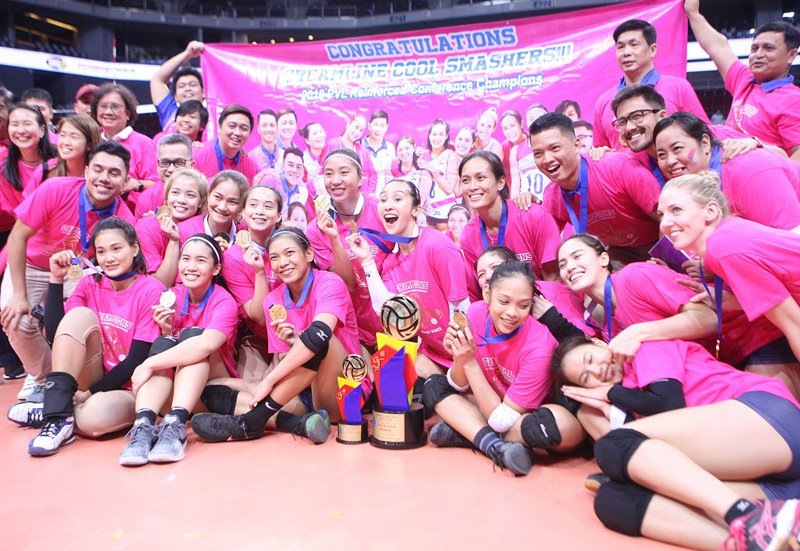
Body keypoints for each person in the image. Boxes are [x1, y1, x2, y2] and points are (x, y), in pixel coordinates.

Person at [552, 335, 800, 550]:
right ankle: (764, 540)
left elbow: (670, 406)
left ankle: (744, 514)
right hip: (776, 486)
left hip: (773, 421)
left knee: (614, 444)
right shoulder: (631, 399)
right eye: (586, 378)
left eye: (590, 358)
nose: (597, 370)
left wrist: (609, 393)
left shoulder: (644, 350)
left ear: (598, 343)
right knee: (613, 500)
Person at [11, 218, 163, 456]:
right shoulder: (90, 284)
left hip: (131, 387)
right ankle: (58, 416)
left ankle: (54, 409)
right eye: (101, 251)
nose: (108, 258)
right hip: (89, 376)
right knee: (79, 315)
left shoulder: (152, 289)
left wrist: (89, 393)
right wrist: (56, 280)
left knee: (95, 419)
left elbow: (136, 360)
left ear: (134, 249)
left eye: (116, 248)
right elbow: (57, 333)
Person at [190, 226, 354, 442]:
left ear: (309, 254)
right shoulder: (273, 300)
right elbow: (282, 359)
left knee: (320, 340)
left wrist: (269, 381)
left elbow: (320, 335)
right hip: (300, 392)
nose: (282, 262)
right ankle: (298, 422)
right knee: (213, 389)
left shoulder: (329, 282)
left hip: (340, 391)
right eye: (275, 257)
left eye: (289, 253)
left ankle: (251, 422)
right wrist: (285, 356)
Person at [0, 141, 136, 403]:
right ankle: (43, 378)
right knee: (14, 317)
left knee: (77, 322)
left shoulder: (124, 220)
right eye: (98, 169)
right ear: (86, 171)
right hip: (32, 264)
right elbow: (17, 237)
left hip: (77, 270)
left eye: (114, 173)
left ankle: (68, 378)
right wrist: (19, 294)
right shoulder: (55, 189)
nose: (104, 178)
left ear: (126, 181)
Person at [424, 261, 586, 476]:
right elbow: (458, 384)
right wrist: (459, 356)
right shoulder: (475, 313)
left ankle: (470, 433)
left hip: (528, 416)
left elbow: (502, 420)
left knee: (552, 425)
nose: (512, 313)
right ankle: (495, 446)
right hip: (496, 404)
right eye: (504, 301)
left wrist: (470, 362)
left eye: (523, 305)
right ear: (487, 293)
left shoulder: (540, 346)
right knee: (435, 386)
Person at [658, 172, 800, 387]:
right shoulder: (724, 238)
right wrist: (739, 301)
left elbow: (795, 325)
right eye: (661, 214)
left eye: (676, 210)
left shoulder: (724, 249)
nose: (665, 223)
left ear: (711, 211)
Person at [120, 234, 239, 464]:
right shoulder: (171, 296)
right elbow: (159, 347)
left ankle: (175, 426)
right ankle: (144, 425)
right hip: (175, 387)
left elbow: (206, 345)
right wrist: (165, 330)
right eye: (186, 259)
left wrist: (148, 364)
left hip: (212, 383)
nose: (191, 267)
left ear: (216, 269)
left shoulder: (224, 302)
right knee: (164, 343)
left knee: (193, 337)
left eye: (201, 261)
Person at [349, 178, 469, 377]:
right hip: (433, 355)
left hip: (464, 351)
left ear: (416, 210)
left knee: (435, 396)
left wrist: (462, 359)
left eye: (397, 199)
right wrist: (367, 260)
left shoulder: (437, 245)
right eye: (384, 199)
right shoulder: (390, 263)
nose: (388, 205)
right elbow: (384, 309)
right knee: (393, 383)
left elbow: (461, 309)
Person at [531, 113, 662, 264]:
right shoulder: (552, 196)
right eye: (538, 154)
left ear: (577, 145)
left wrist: (664, 261)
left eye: (554, 148)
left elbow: (667, 218)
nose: (547, 159)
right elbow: (542, 244)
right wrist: (527, 207)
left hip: (659, 242)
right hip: (619, 254)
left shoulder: (618, 168)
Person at [686, 1, 800, 160]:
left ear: (791, 55)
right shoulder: (744, 79)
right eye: (755, 48)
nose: (758, 54)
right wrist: (693, 13)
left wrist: (761, 149)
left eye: (768, 48)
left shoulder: (794, 101)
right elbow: (717, 46)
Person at [653, 112, 800, 230]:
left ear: (705, 144)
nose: (670, 161)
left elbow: (791, 240)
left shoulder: (749, 171)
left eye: (677, 148)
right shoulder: (692, 183)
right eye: (662, 155)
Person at [306, 149, 390, 350]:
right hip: (352, 325)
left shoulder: (382, 211)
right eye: (328, 174)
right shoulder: (317, 229)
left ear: (360, 179)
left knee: (393, 380)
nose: (335, 180)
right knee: (357, 381)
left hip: (391, 319)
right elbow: (347, 284)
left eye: (344, 172)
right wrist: (335, 239)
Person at [592, 19, 708, 150]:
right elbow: (599, 152)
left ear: (652, 49)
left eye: (634, 44)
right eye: (620, 47)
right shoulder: (603, 102)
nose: (626, 52)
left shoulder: (679, 88)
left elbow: (704, 134)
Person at [458, 151, 560, 296]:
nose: (472, 186)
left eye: (481, 178)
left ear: (500, 183)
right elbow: (482, 292)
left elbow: (553, 280)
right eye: (466, 180)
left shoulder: (533, 216)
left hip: (543, 308)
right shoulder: (468, 236)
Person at [219, 184, 282, 379]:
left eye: (268, 206)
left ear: (279, 215)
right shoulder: (232, 257)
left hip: (293, 332)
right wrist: (259, 272)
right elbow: (259, 317)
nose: (260, 212)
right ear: (244, 213)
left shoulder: (288, 246)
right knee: (254, 390)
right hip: (258, 337)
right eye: (253, 205)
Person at [136, 168, 207, 286]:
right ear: (166, 197)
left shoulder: (205, 229)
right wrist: (174, 241)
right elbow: (161, 285)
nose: (181, 200)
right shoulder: (146, 228)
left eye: (190, 195)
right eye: (175, 192)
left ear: (201, 202)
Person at [91, 83, 159, 200]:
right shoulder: (92, 141)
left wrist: (137, 184)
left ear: (128, 113)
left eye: (115, 107)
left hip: (132, 214)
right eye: (103, 106)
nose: (108, 112)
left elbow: (158, 185)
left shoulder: (143, 143)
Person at [0, 105, 56, 233]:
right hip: (25, 235)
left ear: (42, 130)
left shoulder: (61, 160)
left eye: (27, 124)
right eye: (15, 124)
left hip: (60, 233)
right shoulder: (4, 169)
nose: (21, 130)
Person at [178, 170, 247, 252]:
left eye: (232, 202)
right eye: (217, 197)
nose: (222, 207)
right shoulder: (184, 230)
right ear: (208, 195)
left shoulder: (247, 233)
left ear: (242, 206)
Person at [149, 41, 206, 135]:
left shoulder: (215, 116)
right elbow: (157, 80)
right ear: (175, 95)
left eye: (192, 84)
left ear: (203, 92)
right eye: (181, 86)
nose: (187, 88)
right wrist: (187, 54)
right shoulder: (169, 113)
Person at [135, 133, 195, 219]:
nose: (171, 169)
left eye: (179, 163)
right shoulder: (146, 199)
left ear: (192, 165)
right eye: (165, 163)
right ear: (158, 165)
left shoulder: (206, 195)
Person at [192, 104, 258, 182]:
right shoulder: (198, 155)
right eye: (232, 126)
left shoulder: (248, 166)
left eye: (244, 129)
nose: (237, 133)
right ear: (219, 127)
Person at [418, 119, 460, 230]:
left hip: (445, 211)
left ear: (446, 136)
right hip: (427, 212)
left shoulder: (450, 155)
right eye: (434, 134)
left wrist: (432, 169)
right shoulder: (424, 155)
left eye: (441, 134)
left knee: (446, 244)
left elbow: (449, 188)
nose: (437, 138)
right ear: (429, 135)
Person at [324, 114, 379, 196]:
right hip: (338, 197)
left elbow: (373, 175)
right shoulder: (333, 144)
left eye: (361, 130)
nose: (357, 132)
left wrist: (370, 193)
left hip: (360, 199)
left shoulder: (363, 151)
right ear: (349, 124)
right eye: (356, 127)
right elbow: (324, 172)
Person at [510, 104, 550, 200]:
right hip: (528, 206)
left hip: (553, 203)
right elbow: (516, 184)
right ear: (527, 123)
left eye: (540, 117)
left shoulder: (556, 146)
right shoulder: (516, 150)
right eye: (531, 118)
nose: (536, 121)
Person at [364, 109, 395, 194]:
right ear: (369, 126)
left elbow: (392, 175)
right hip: (363, 196)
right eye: (376, 125)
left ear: (386, 127)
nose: (378, 129)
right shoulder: (360, 146)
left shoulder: (390, 148)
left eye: (382, 125)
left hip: (384, 197)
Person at [500, 110, 526, 179]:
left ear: (521, 124)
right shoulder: (503, 148)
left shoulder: (532, 141)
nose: (510, 131)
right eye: (505, 128)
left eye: (513, 125)